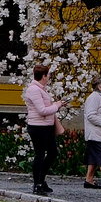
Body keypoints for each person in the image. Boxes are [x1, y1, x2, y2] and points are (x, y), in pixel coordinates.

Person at [22, 63, 66, 195]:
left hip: (47, 126)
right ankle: (37, 183)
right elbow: (42, 110)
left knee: (52, 153)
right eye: (48, 76)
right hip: (38, 127)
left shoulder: (41, 89)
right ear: (44, 76)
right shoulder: (34, 89)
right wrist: (57, 106)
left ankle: (41, 179)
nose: (49, 78)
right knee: (40, 155)